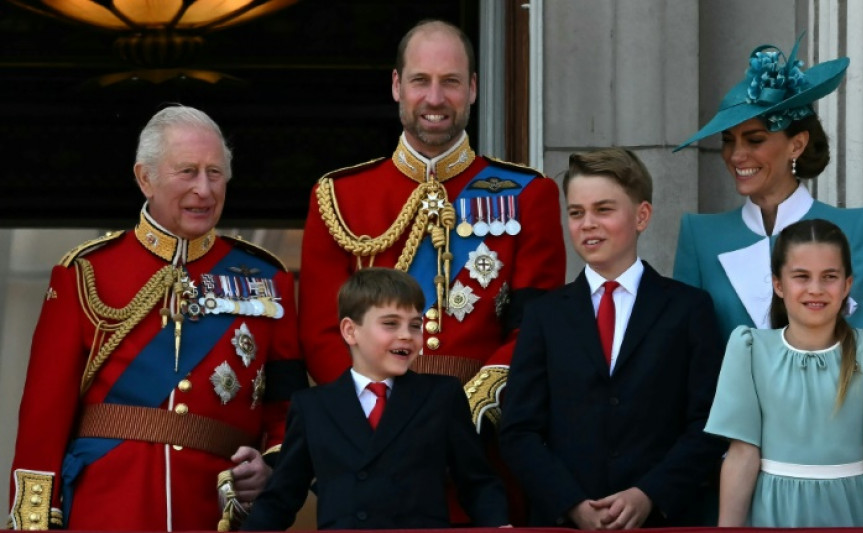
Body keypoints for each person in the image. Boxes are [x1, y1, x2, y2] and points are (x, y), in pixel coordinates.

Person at [7, 105, 308, 531]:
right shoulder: (86, 273)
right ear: (144, 178)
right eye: (187, 171)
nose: (204, 190)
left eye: (215, 173)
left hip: (212, 514)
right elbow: (43, 418)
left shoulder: (267, 279)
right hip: (107, 509)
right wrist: (34, 523)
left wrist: (271, 469)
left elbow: (287, 412)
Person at [298, 19, 566, 432]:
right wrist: (372, 410)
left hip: (482, 439)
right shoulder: (338, 197)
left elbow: (533, 329)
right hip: (372, 440)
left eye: (451, 82)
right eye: (420, 80)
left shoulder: (529, 194)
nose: (435, 98)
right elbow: (322, 333)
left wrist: (469, 408)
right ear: (396, 86)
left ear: (473, 88)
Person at [499, 148, 727, 529]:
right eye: (576, 212)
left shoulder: (688, 309)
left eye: (603, 210)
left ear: (642, 216)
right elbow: (519, 430)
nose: (587, 223)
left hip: (662, 520)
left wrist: (650, 494)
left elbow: (708, 423)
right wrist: (570, 503)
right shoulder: (544, 315)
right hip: (565, 523)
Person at [241, 267, 509, 530]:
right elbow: (282, 498)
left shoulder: (442, 396)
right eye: (390, 323)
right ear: (350, 331)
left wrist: (499, 525)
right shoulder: (313, 407)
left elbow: (477, 483)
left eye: (415, 325)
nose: (407, 334)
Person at [706, 218, 863, 527]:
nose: (816, 289)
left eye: (829, 276)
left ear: (847, 284)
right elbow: (742, 454)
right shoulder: (750, 349)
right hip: (774, 512)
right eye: (801, 276)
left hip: (854, 510)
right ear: (778, 284)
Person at [672, 35, 863, 341]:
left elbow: (862, 344)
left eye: (755, 140)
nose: (736, 155)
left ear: (796, 145)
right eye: (728, 141)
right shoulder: (699, 235)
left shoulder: (855, 227)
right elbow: (688, 348)